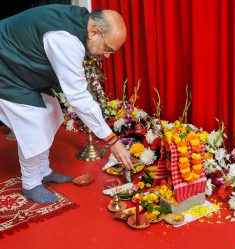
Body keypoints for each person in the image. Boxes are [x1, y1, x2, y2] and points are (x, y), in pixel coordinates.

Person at [0, 4, 134, 204]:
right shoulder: (65, 39)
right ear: (94, 31)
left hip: (22, 64)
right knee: (34, 123)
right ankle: (31, 183)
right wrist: (112, 140)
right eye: (107, 49)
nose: (106, 56)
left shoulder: (81, 21)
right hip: (6, 68)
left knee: (53, 113)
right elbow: (78, 96)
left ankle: (43, 171)